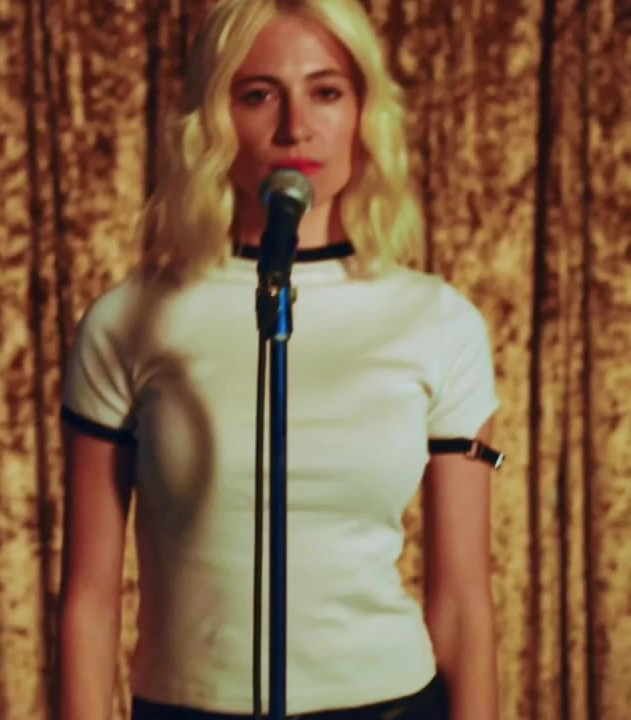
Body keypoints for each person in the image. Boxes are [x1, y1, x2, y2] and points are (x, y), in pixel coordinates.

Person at [55, 0, 503, 718]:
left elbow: (463, 606)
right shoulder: (130, 321)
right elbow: (88, 601)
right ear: (213, 119)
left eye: (326, 92)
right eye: (259, 95)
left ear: (363, 113)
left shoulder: (440, 323)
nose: (297, 126)